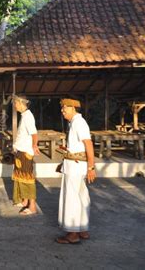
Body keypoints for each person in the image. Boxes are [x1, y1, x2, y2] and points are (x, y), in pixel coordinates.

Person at [56, 98, 96, 244]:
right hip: (74, 165)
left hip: (76, 167)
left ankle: (73, 234)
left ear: (73, 108)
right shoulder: (74, 123)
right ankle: (82, 230)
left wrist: (91, 167)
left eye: (64, 108)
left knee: (72, 198)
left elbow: (89, 144)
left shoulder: (79, 123)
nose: (62, 111)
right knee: (81, 196)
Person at [11, 95, 40, 215]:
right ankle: (25, 201)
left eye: (15, 103)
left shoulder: (28, 117)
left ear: (21, 103)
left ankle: (32, 206)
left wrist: (34, 146)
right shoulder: (24, 116)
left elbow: (34, 133)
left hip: (25, 152)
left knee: (27, 178)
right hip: (20, 151)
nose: (14, 105)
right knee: (20, 176)